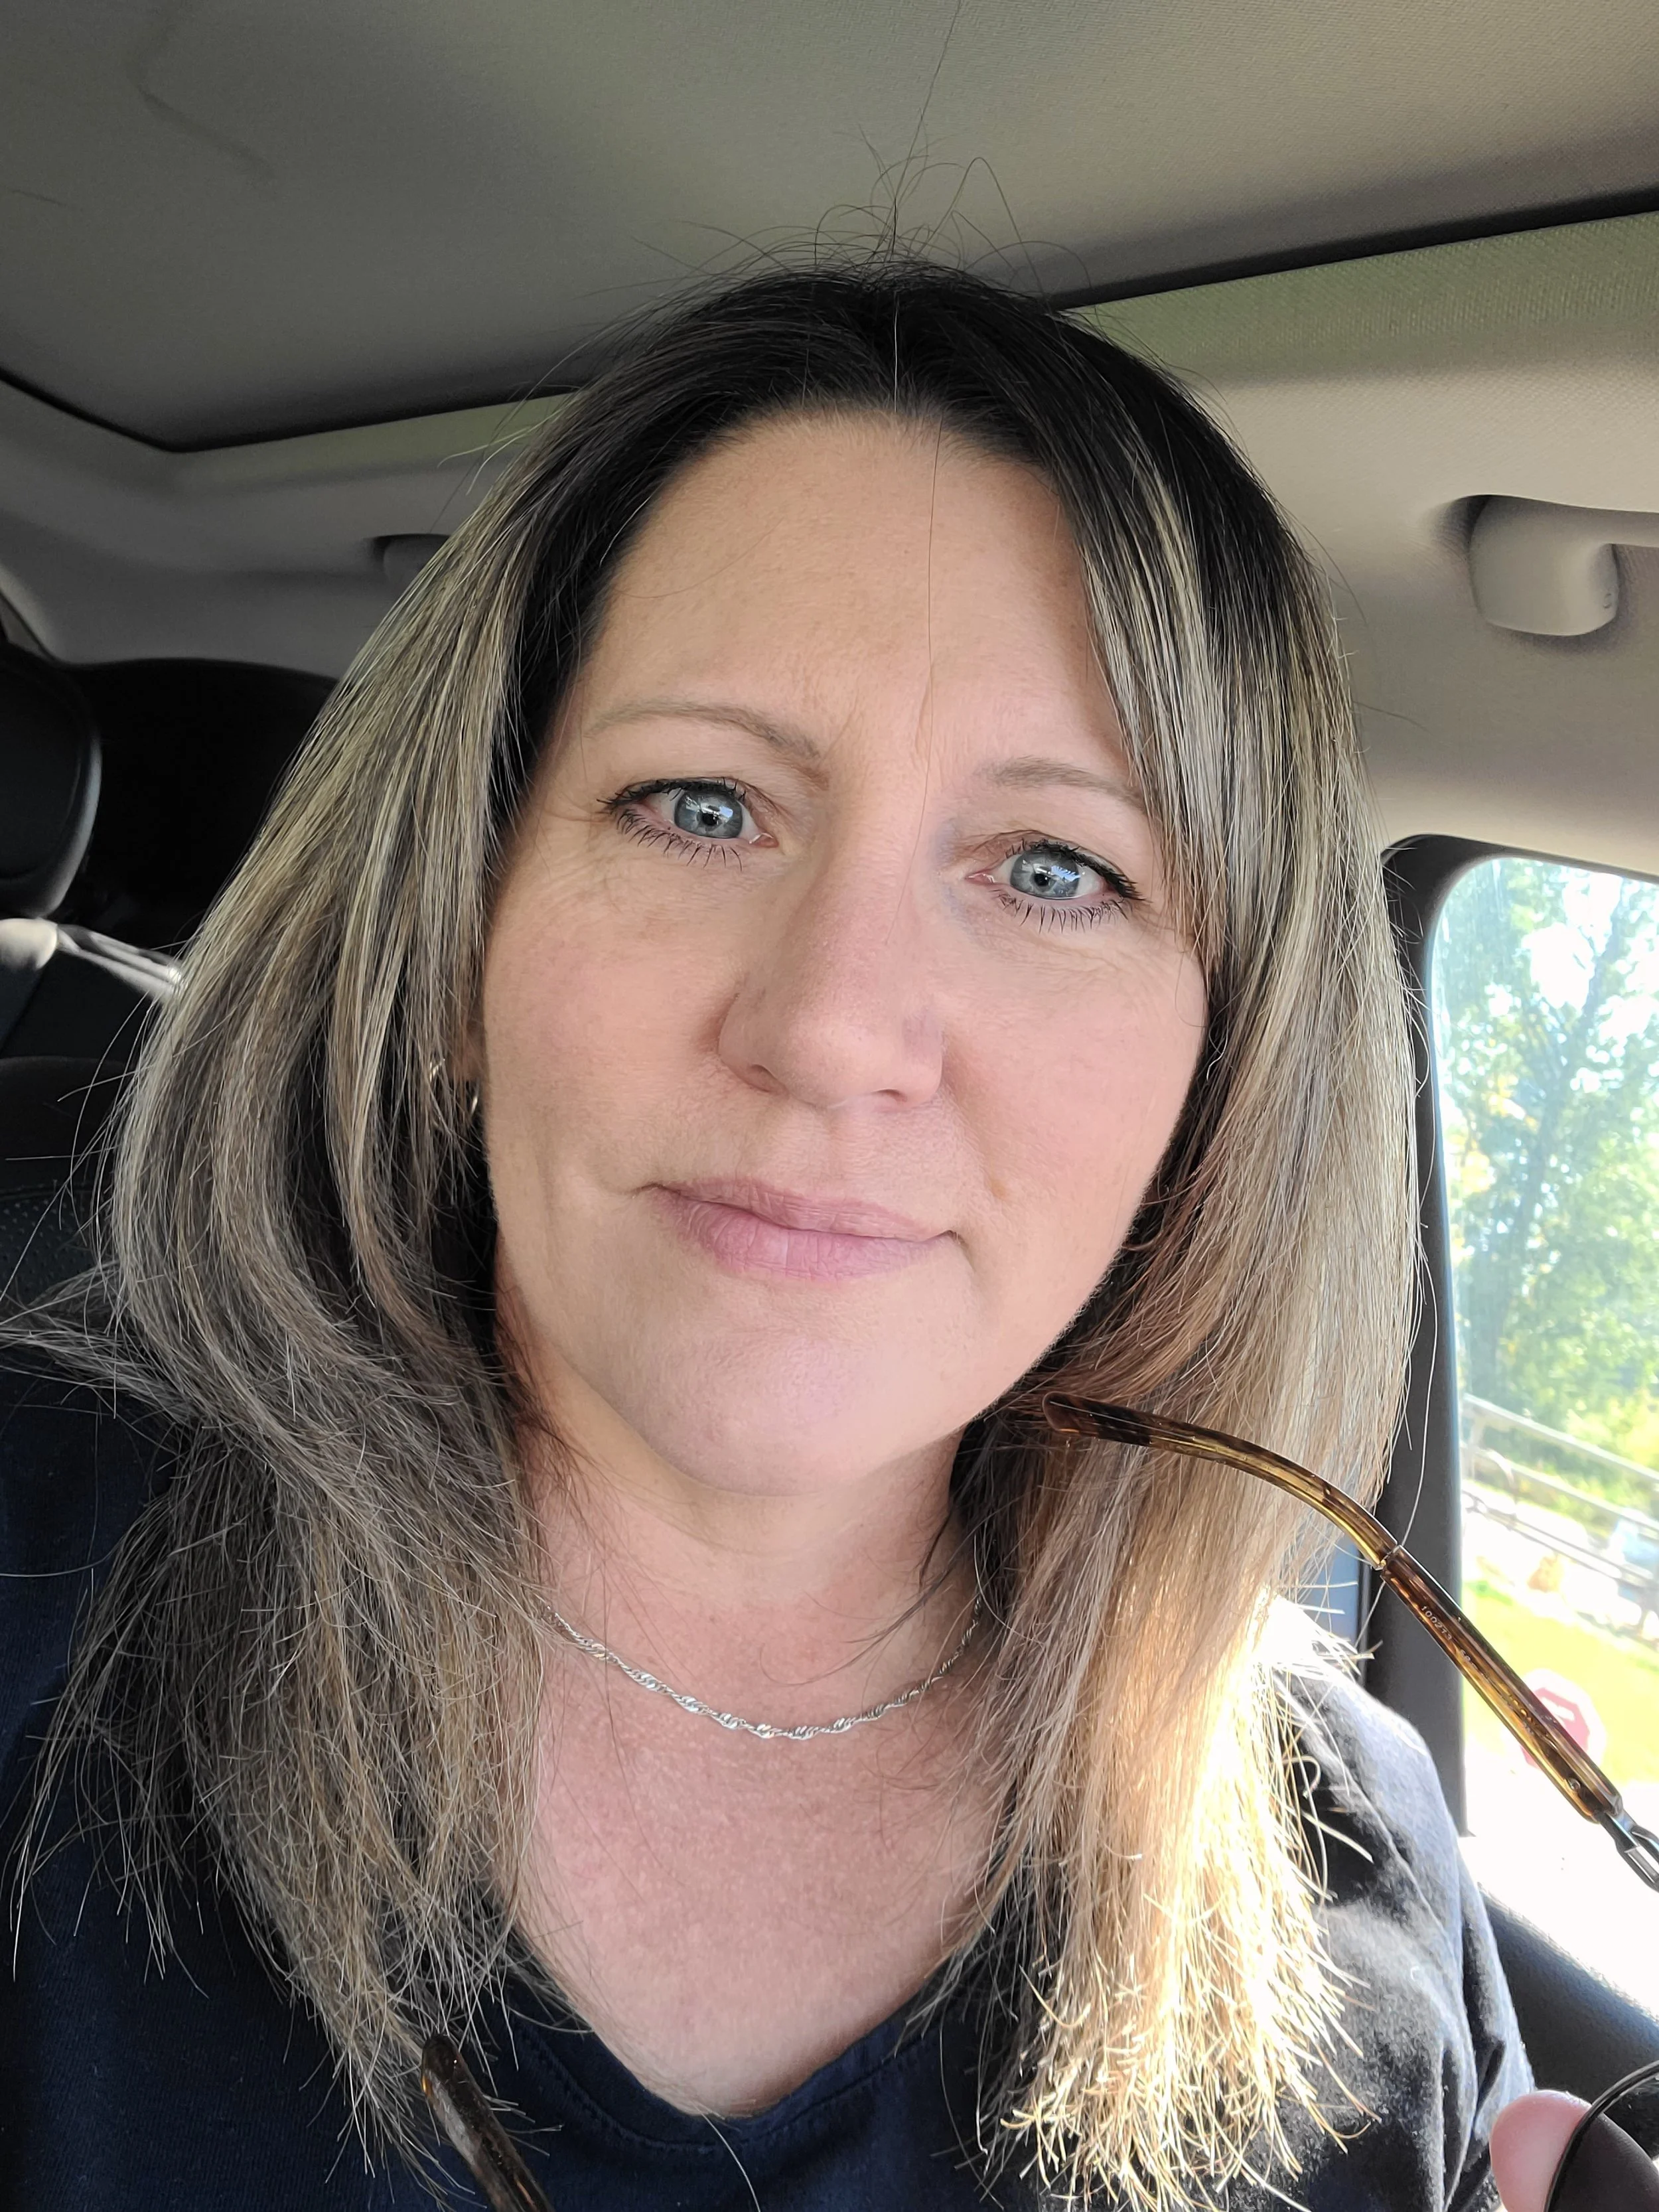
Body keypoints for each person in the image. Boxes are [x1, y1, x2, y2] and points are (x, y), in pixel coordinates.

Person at [0, 261, 1573, 2209]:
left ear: (1221, 1077)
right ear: (455, 941)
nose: (831, 1025)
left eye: (1053, 869)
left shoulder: (1346, 1870)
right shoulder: (37, 1592)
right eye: (698, 806)